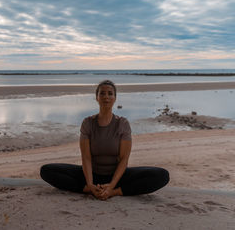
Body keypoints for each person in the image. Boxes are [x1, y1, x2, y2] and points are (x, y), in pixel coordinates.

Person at [40, 80, 169, 200]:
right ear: (97, 98)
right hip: (91, 174)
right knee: (46, 170)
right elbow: (86, 157)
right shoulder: (88, 123)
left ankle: (116, 192)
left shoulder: (122, 124)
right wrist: (90, 184)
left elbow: (124, 159)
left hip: (117, 177)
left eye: (110, 93)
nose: (106, 96)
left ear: (114, 98)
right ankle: (87, 189)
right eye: (102, 93)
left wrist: (112, 187)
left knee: (162, 175)